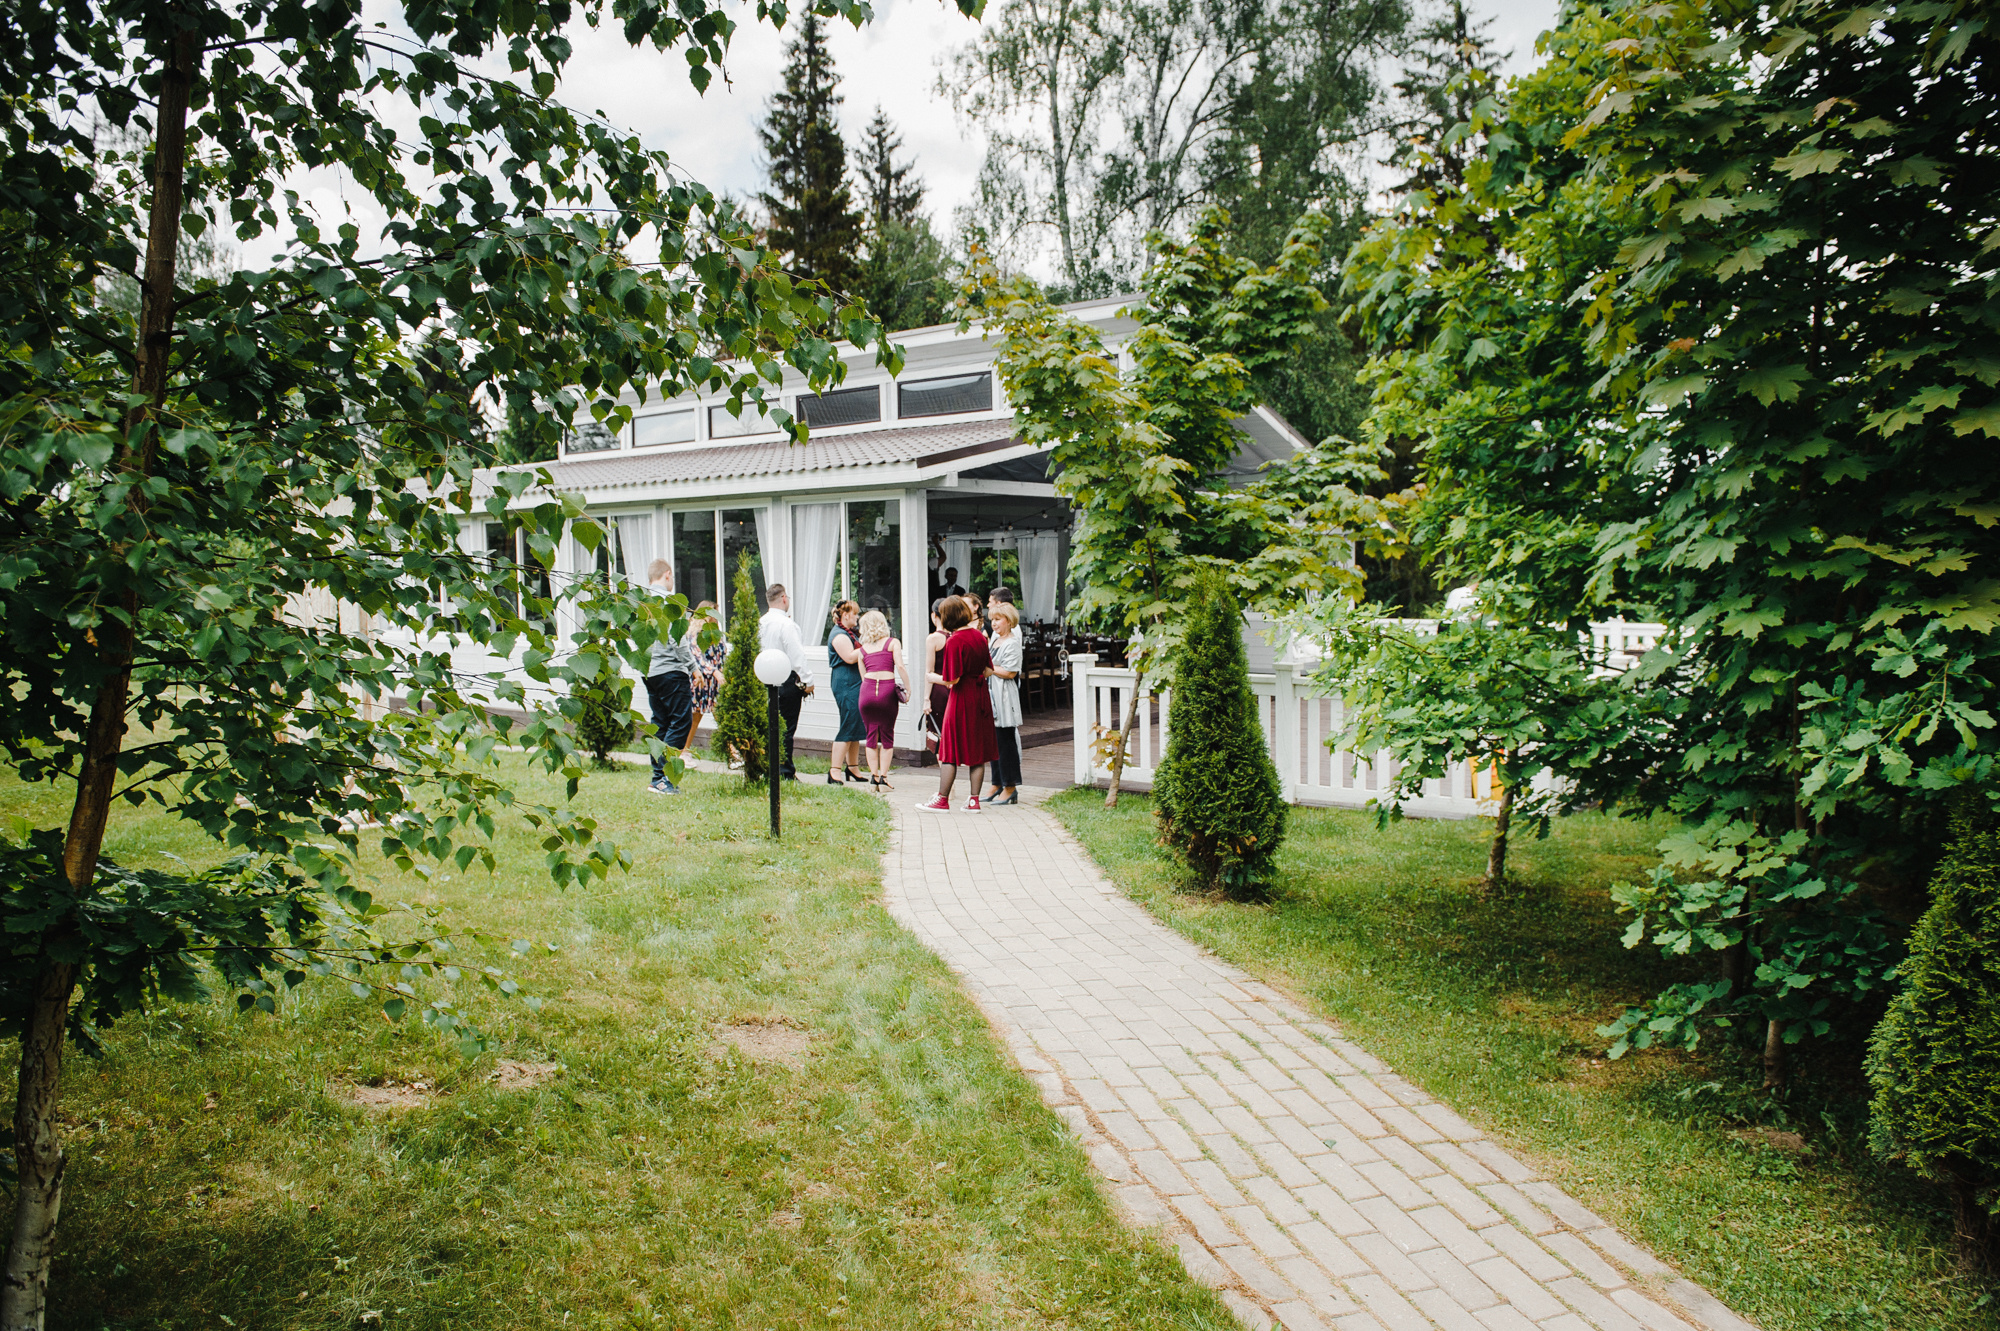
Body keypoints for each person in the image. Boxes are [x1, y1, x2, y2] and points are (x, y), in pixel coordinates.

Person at [917, 598, 996, 813]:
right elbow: (989, 670)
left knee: (949, 749)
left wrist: (932, 677)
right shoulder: (979, 636)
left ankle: (942, 799)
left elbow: (953, 680)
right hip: (980, 696)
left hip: (961, 698)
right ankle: (973, 801)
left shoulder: (954, 640)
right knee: (976, 750)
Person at [641, 558, 696, 796]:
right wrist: (693, 667)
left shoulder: (641, 602)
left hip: (650, 671)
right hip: (671, 671)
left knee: (660, 724)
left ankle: (657, 779)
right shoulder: (668, 602)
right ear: (667, 575)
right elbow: (677, 638)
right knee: (681, 723)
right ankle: (664, 778)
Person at [758, 583, 814, 780]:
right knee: (787, 727)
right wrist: (808, 680)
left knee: (770, 725)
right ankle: (785, 770)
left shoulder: (760, 622)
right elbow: (796, 654)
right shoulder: (787, 624)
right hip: (785, 678)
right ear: (783, 598)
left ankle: (769, 767)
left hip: (764, 677)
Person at [856, 609, 910, 791]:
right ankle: (884, 779)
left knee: (870, 736)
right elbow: (900, 666)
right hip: (887, 689)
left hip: (867, 691)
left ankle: (873, 778)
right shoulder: (892, 643)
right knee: (887, 735)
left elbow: (863, 677)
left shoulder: (861, 650)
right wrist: (908, 688)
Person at [983, 603, 1024, 805]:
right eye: (992, 620)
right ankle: (996, 782)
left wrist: (989, 668)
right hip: (991, 697)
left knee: (1006, 742)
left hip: (1004, 698)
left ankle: (1010, 786)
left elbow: (1010, 672)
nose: (994, 623)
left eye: (998, 619)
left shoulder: (1012, 643)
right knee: (994, 742)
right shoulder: (996, 641)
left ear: (1008, 620)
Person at [826, 599, 867, 785]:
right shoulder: (839, 635)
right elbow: (850, 658)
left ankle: (853, 767)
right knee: (848, 723)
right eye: (855, 613)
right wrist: (870, 647)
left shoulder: (849, 633)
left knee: (856, 723)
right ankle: (834, 770)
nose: (857, 616)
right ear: (845, 615)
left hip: (853, 682)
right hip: (845, 682)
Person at [688, 600, 726, 738]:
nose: (716, 617)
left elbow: (722, 656)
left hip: (715, 684)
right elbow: (697, 657)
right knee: (695, 718)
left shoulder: (716, 635)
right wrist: (714, 671)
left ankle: (733, 752)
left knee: (721, 717)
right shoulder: (694, 634)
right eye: (713, 613)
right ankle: (683, 750)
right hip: (700, 681)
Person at [921, 598, 951, 756]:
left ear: (934, 615)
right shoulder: (954, 636)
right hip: (953, 689)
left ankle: (945, 776)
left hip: (938, 690)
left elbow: (929, 671)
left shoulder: (933, 638)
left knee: (938, 734)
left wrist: (926, 698)